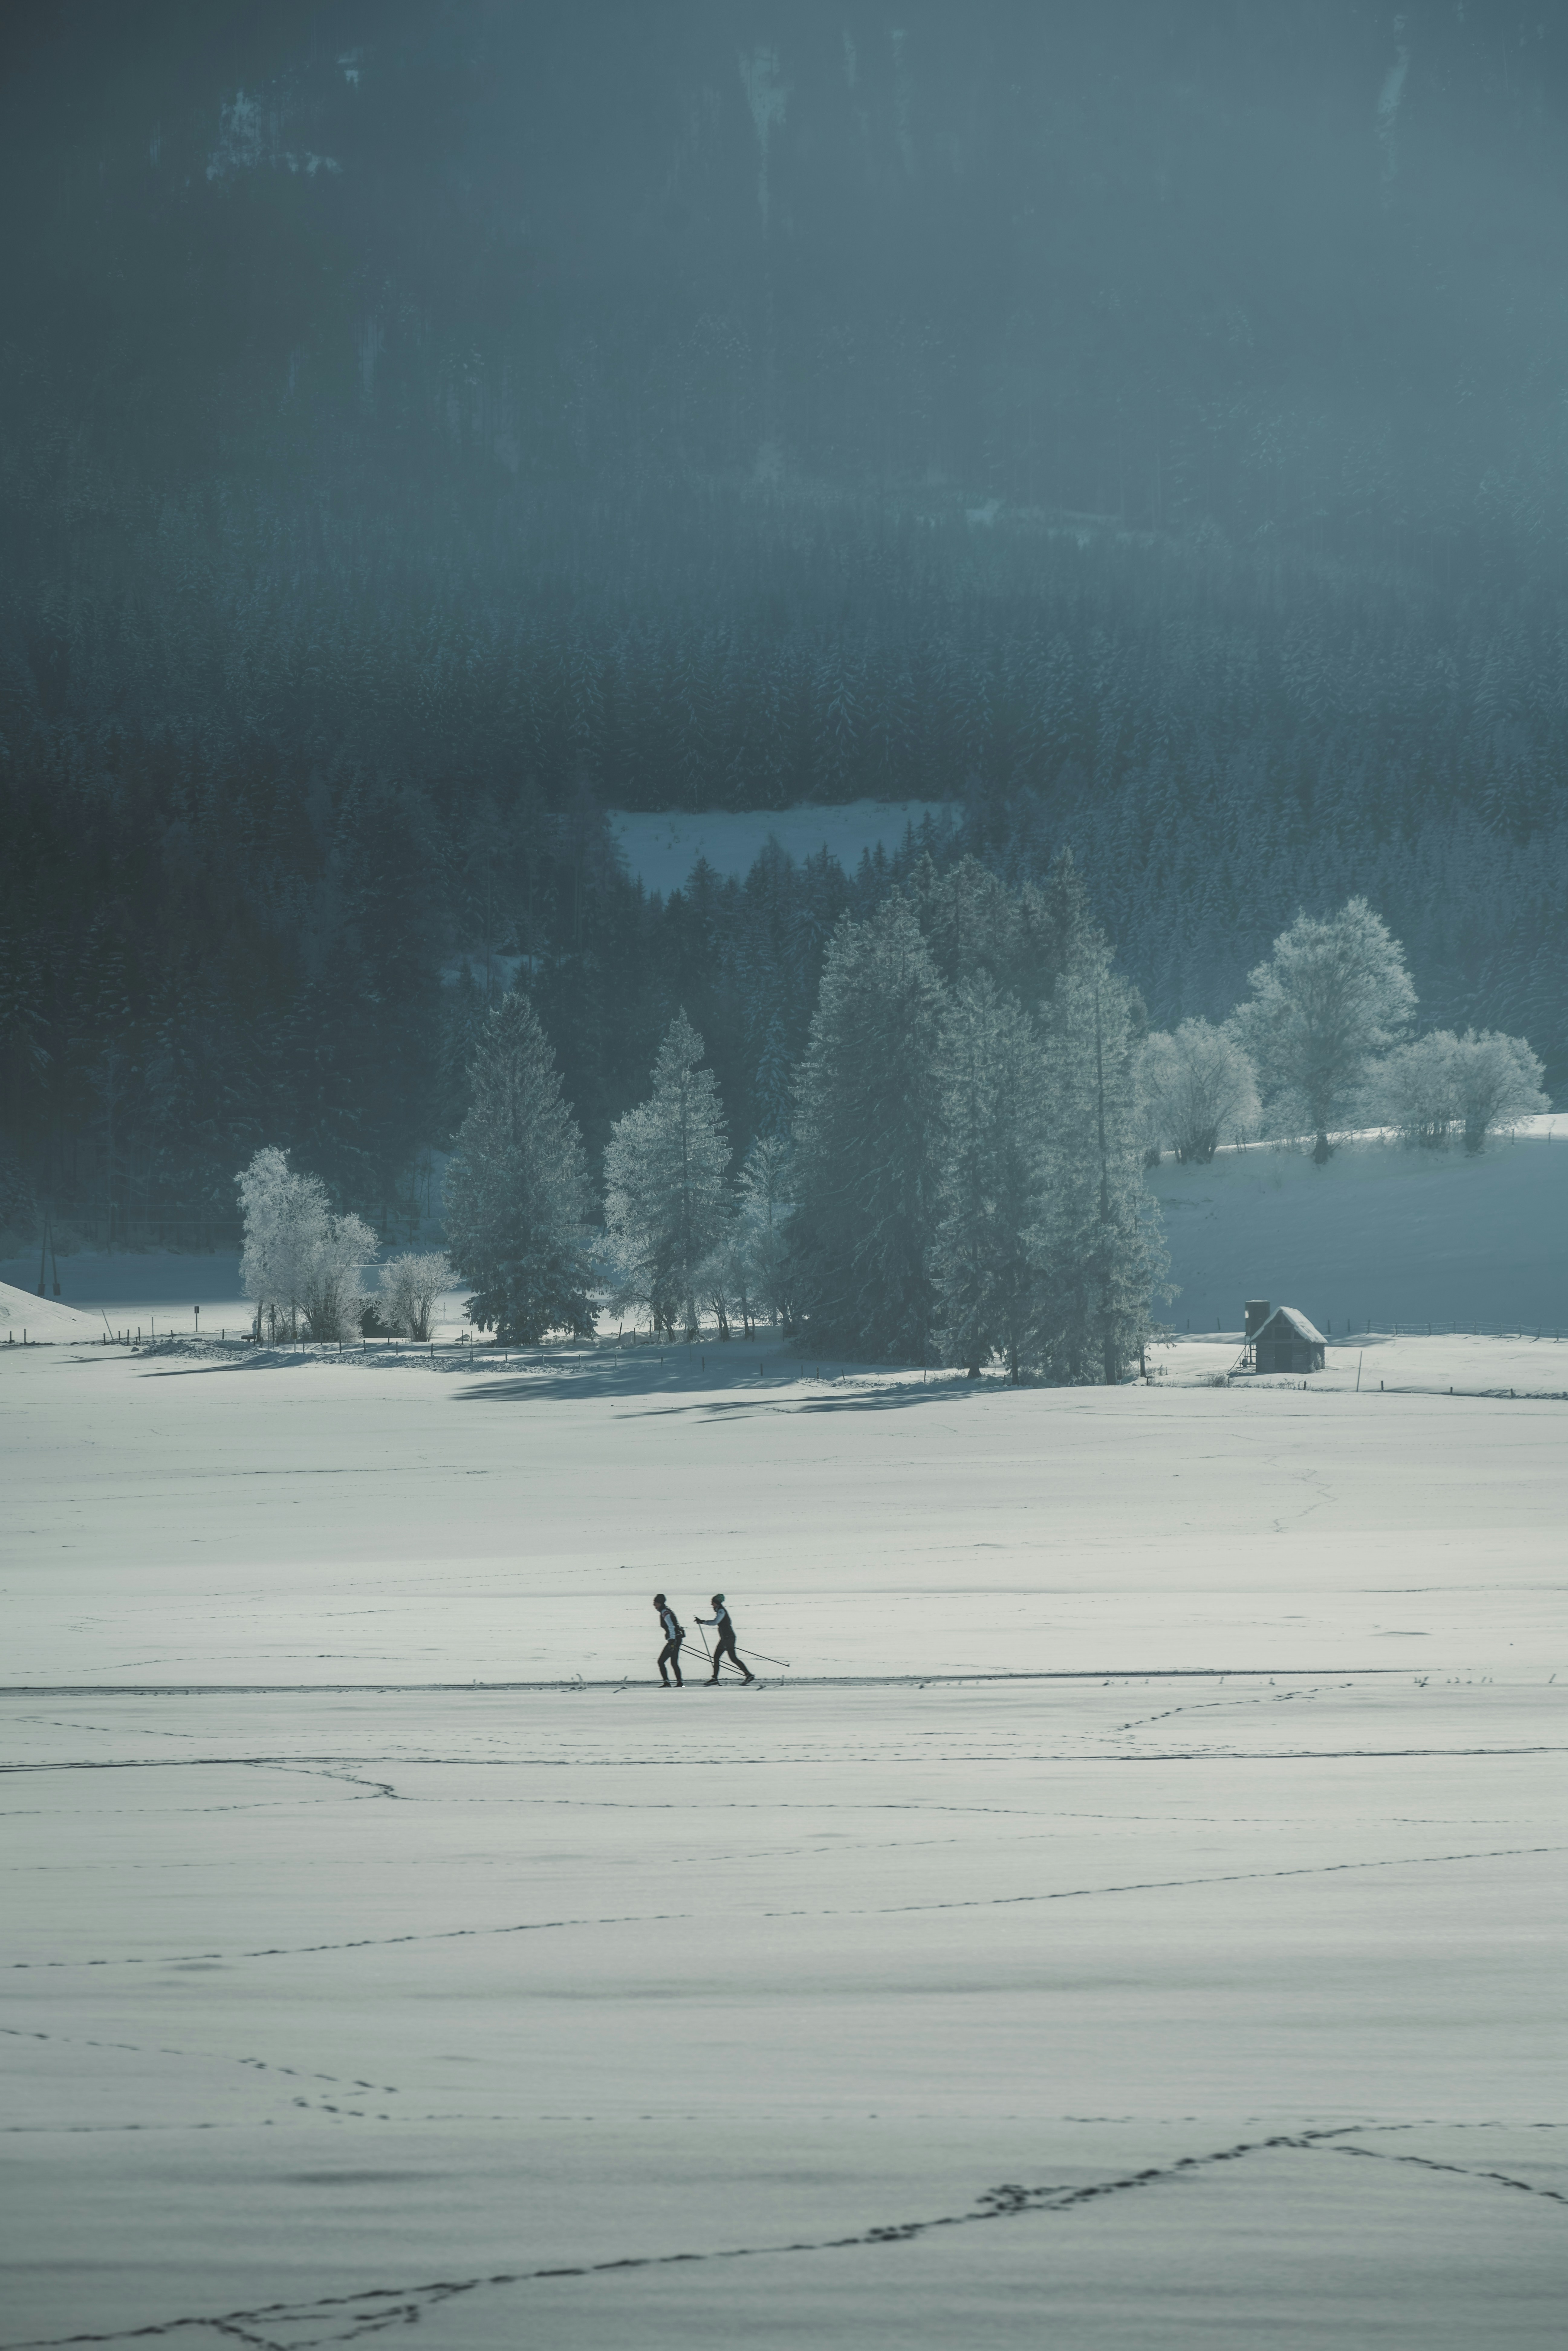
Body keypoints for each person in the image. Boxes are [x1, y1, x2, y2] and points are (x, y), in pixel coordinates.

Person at [696, 1593, 754, 1684]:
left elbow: (716, 1622)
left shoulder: (721, 1611)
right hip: (725, 1639)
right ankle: (715, 1678)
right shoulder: (720, 1610)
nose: (712, 1604)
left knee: (732, 1658)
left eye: (713, 1603)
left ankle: (748, 1675)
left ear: (717, 1603)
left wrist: (703, 1622)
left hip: (728, 1639)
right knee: (718, 1658)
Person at [653, 1593, 685, 1687]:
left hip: (674, 1640)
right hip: (677, 1638)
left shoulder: (665, 1612)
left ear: (660, 1603)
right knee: (674, 1663)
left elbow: (671, 1626)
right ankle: (680, 1682)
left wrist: (672, 1640)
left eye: (655, 1603)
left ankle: (667, 1683)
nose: (654, 1605)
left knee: (661, 1662)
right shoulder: (666, 1611)